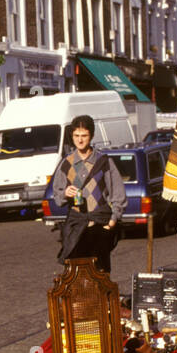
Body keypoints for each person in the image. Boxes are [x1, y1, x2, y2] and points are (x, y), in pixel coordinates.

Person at [51, 115, 126, 273]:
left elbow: (118, 195)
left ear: (91, 136)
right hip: (76, 226)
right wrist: (65, 193)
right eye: (76, 136)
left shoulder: (104, 162)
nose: (80, 140)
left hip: (100, 225)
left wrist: (112, 222)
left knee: (100, 273)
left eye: (84, 135)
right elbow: (57, 197)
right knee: (75, 273)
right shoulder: (66, 163)